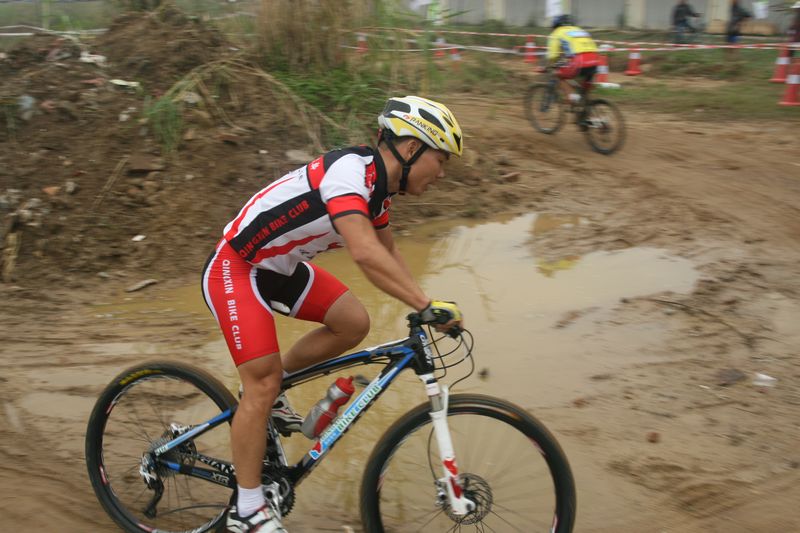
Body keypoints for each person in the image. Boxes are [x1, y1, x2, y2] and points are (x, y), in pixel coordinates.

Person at [201, 95, 464, 532]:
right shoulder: (349, 173)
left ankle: (274, 390)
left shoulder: (378, 195)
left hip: (280, 269)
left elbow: (388, 252)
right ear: (412, 147)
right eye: (441, 159)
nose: (442, 173)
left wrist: (427, 303)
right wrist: (422, 305)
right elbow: (364, 251)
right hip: (237, 267)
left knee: (353, 323)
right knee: (260, 382)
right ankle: (246, 509)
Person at [547, 14, 601, 128]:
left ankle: (573, 98)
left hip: (580, 60)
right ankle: (587, 117)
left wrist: (552, 65)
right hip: (595, 60)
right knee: (584, 91)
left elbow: (552, 56)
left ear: (555, 26)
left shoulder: (557, 33)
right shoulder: (579, 30)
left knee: (558, 75)